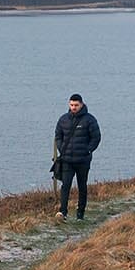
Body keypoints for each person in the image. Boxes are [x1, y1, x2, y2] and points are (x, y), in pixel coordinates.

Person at [53, 93, 101, 221]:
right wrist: (61, 148)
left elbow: (96, 138)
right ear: (69, 104)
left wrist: (88, 150)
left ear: (82, 104)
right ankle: (63, 212)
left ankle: (80, 214)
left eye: (76, 105)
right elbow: (58, 135)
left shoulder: (90, 120)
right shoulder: (63, 119)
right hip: (67, 160)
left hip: (83, 160)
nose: (74, 107)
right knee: (65, 185)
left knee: (82, 186)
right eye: (72, 105)